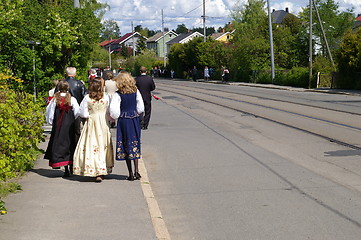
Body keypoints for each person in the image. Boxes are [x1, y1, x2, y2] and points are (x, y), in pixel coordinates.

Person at [73, 77, 114, 182]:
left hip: (92, 122)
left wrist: (90, 114)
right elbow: (110, 110)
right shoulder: (106, 97)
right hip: (103, 123)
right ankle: (101, 170)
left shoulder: (87, 98)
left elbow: (82, 113)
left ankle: (92, 169)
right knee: (102, 145)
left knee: (91, 145)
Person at [109, 72, 144, 181]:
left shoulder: (117, 94)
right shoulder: (136, 91)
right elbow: (141, 108)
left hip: (124, 120)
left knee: (125, 144)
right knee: (135, 142)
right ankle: (137, 170)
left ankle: (130, 173)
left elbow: (114, 111)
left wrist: (117, 116)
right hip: (134, 119)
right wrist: (135, 113)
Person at [44, 80, 80, 178]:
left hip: (59, 125)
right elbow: (77, 112)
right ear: (68, 88)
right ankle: (70, 165)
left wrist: (52, 122)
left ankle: (64, 166)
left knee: (59, 144)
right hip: (69, 125)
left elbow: (50, 113)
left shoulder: (55, 100)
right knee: (70, 143)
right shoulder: (72, 99)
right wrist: (72, 119)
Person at [60, 67, 87, 145]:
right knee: (76, 130)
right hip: (76, 108)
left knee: (63, 129)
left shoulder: (61, 83)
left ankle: (64, 145)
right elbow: (84, 95)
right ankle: (76, 146)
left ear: (66, 73)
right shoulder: (79, 84)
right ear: (75, 74)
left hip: (62, 108)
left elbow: (56, 95)